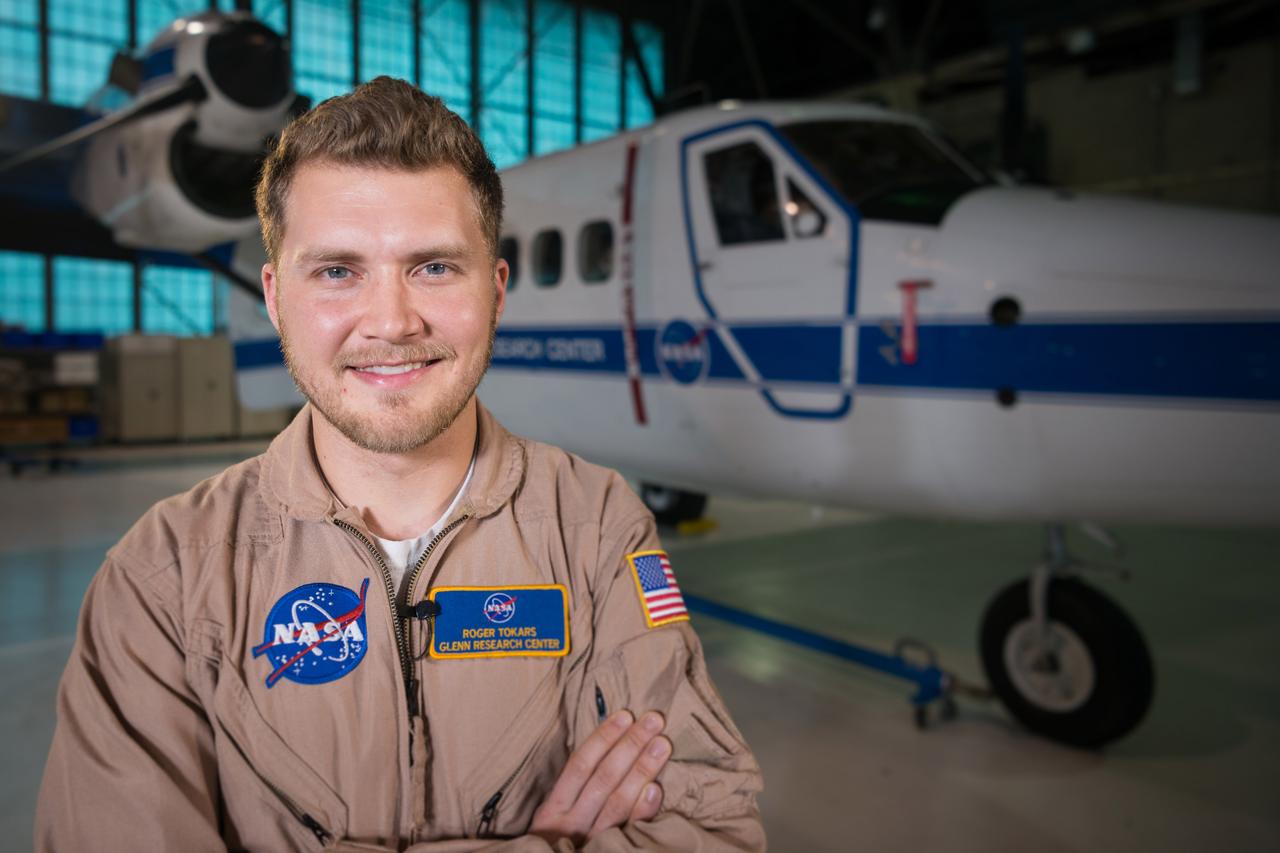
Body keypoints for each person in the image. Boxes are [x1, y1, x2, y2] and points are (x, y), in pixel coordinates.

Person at [35, 77, 764, 851]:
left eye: (435, 267)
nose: (390, 321)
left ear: (497, 291)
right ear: (277, 298)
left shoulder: (600, 528)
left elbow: (711, 828)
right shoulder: (164, 576)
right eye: (338, 271)